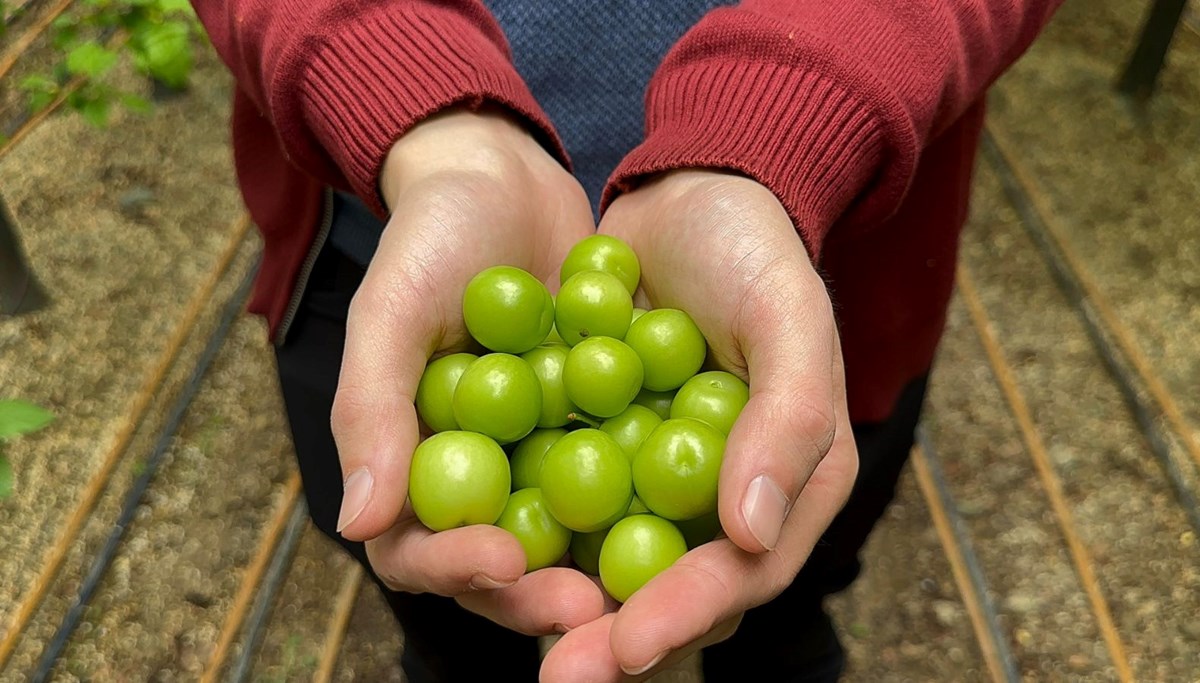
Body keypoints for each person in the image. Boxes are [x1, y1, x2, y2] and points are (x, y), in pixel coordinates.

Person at [193, 1, 1062, 680]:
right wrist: (403, 88)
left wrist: (787, 118)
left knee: (788, 582)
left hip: (813, 280)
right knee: (448, 616)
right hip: (390, 234)